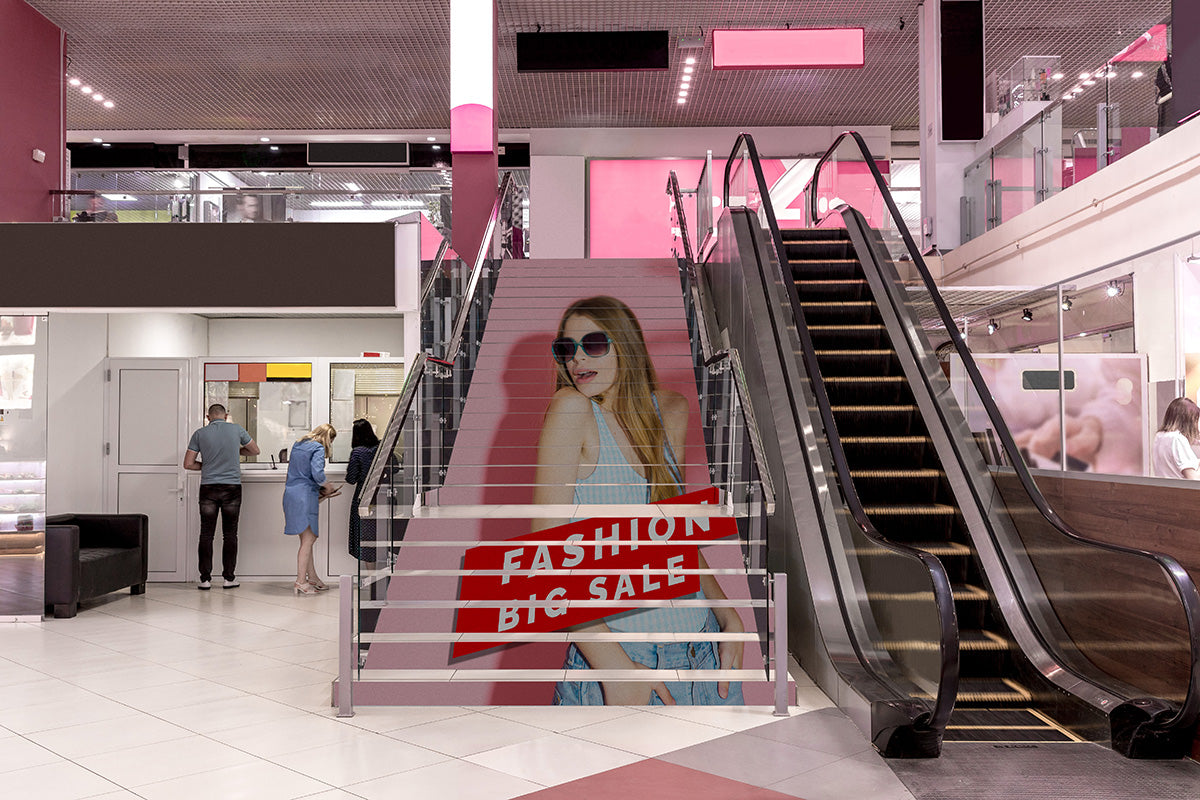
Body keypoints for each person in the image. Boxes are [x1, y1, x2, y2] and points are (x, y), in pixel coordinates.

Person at [533, 296, 744, 706]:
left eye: (593, 344)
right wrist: (615, 668)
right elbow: (547, 561)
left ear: (626, 345)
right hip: (624, 660)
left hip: (703, 650)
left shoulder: (670, 410)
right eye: (566, 348)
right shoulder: (571, 410)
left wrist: (726, 611)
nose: (576, 359)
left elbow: (673, 536)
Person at [183, 404, 259, 589]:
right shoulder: (237, 429)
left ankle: (205, 580)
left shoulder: (200, 434)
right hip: (232, 488)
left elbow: (188, 464)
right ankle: (229, 578)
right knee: (230, 534)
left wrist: (207, 465)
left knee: (206, 534)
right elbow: (255, 450)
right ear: (226, 416)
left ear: (208, 416)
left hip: (208, 488)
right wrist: (236, 450)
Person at [283, 423, 338, 594]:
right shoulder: (318, 448)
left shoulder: (298, 445)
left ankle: (312, 577)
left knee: (306, 539)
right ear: (328, 438)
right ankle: (301, 581)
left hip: (291, 494)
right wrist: (327, 486)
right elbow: (317, 474)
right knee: (309, 540)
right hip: (305, 495)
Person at [344, 418, 381, 560]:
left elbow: (351, 479)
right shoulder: (381, 447)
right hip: (382, 495)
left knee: (363, 535)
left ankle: (369, 575)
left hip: (363, 496)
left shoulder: (358, 452)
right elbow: (394, 468)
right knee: (380, 533)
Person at [1153, 397, 1200, 479]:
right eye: (1195, 420)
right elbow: (1193, 478)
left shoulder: (1159, 436)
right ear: (1188, 421)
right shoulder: (1177, 439)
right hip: (1182, 490)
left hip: (1165, 489)